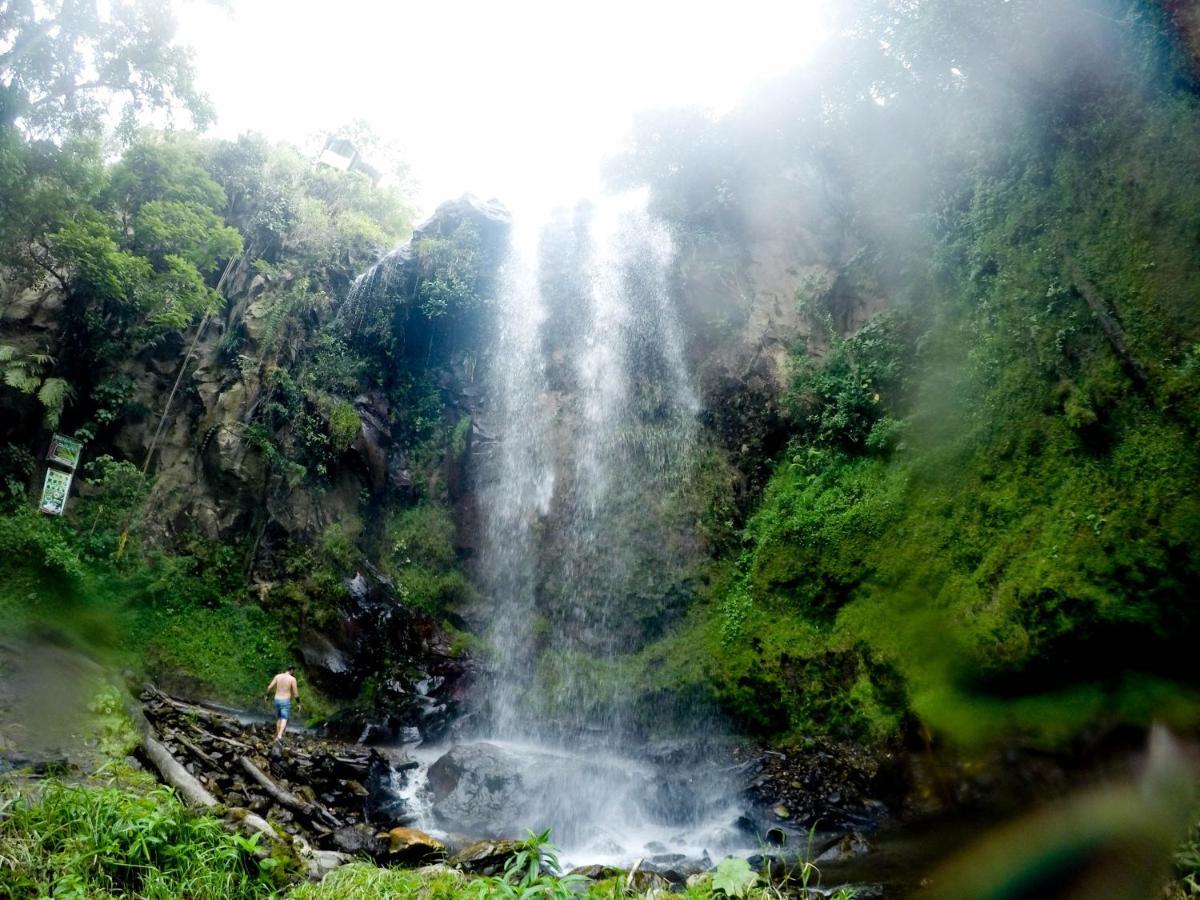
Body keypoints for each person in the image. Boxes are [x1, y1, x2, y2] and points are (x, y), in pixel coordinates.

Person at [266, 665, 301, 742]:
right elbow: (295, 693)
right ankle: (279, 736)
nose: (293, 672)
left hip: (277, 699)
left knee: (279, 718)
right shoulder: (292, 679)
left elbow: (269, 687)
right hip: (285, 701)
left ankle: (278, 736)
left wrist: (267, 696)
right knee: (284, 718)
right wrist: (298, 703)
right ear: (291, 670)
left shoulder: (278, 676)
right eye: (293, 671)